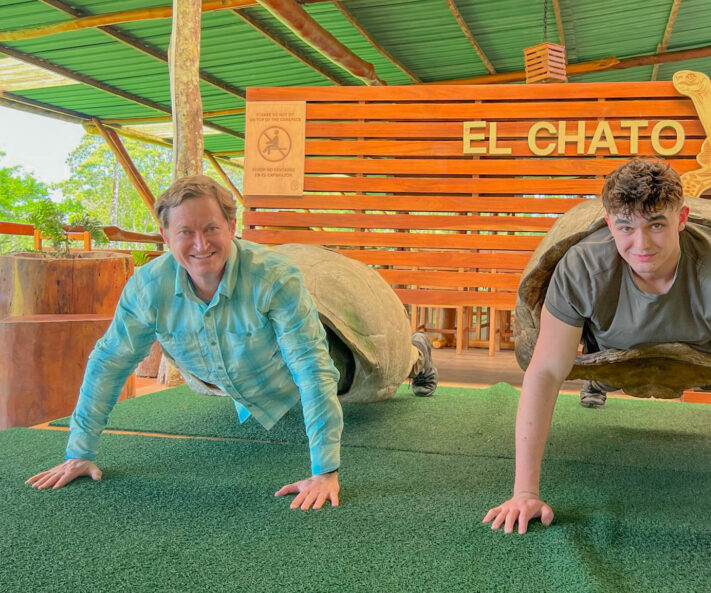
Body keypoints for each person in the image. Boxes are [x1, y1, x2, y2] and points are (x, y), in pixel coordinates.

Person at [482, 158, 711, 570]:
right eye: (626, 227)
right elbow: (544, 371)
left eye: (657, 225)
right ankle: (599, 376)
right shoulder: (580, 268)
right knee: (559, 352)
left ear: (682, 218)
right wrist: (525, 491)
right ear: (609, 224)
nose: (642, 244)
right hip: (604, 340)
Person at [26, 175, 438, 510]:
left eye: (211, 229)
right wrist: (78, 452)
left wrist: (324, 470)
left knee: (378, 377)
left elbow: (312, 369)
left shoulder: (274, 277)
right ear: (165, 234)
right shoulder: (148, 289)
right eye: (185, 231)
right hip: (237, 368)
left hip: (325, 349)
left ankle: (418, 350)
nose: (201, 245)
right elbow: (109, 362)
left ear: (231, 228)